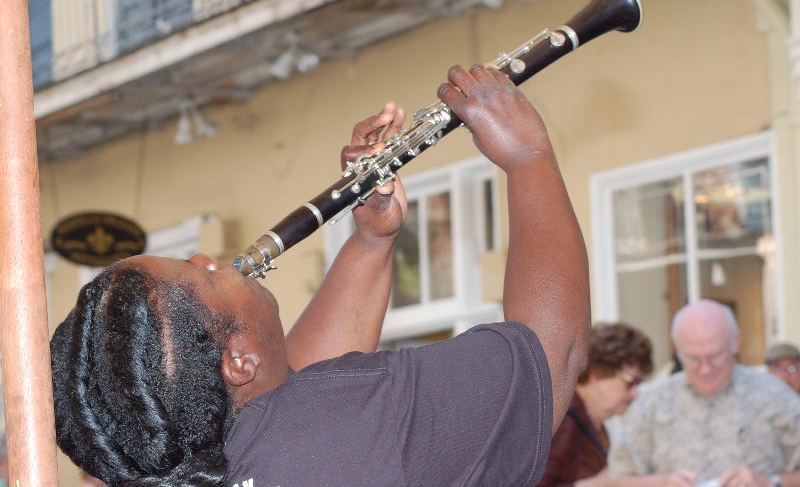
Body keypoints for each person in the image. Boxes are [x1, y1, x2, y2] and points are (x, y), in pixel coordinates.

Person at [50, 63, 591, 486]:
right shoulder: (363, 421)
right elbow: (551, 350)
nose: (209, 259)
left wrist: (371, 243)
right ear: (236, 361)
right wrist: (527, 155)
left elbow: (296, 396)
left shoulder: (199, 457)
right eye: (206, 276)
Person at [607, 299, 800, 487]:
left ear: (736, 343)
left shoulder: (776, 397)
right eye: (693, 359)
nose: (705, 369)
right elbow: (616, 480)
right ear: (679, 351)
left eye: (715, 356)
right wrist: (660, 483)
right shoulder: (651, 404)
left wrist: (772, 482)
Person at [539, 322, 653, 487]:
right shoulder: (564, 420)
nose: (635, 392)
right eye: (630, 381)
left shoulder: (589, 420)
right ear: (597, 374)